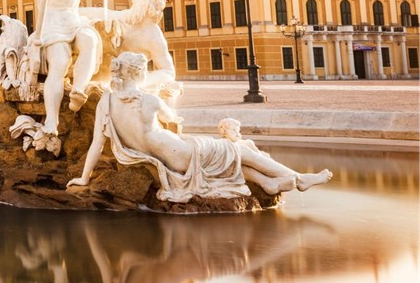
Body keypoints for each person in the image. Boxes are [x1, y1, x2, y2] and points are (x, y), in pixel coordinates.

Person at [68, 53, 331, 201]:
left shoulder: (106, 101)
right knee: (238, 148)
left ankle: (269, 182)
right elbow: (175, 121)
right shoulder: (150, 100)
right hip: (182, 154)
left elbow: (95, 145)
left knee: (233, 159)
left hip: (173, 160)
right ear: (139, 74)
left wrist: (84, 177)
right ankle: (299, 177)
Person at [28, 0, 102, 132]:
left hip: (73, 21)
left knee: (90, 40)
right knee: (60, 62)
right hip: (53, 24)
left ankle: (78, 90)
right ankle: (52, 119)